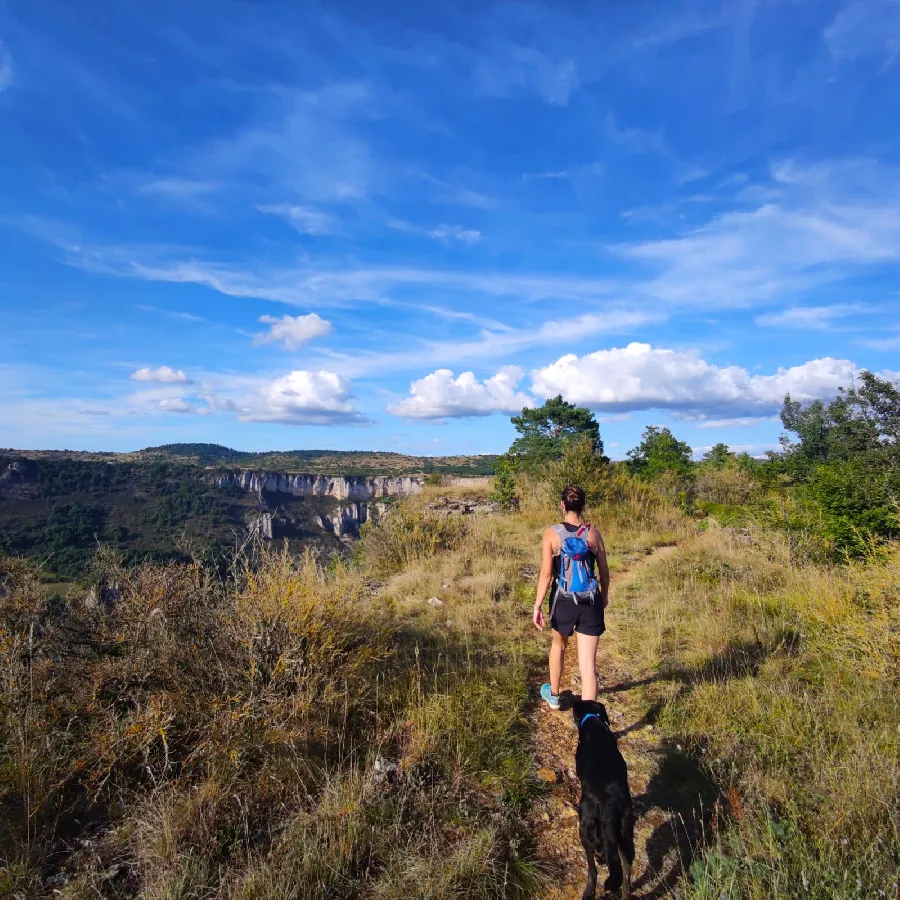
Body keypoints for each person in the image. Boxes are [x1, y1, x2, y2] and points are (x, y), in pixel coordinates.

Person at [534, 484, 610, 710]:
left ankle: (555, 695)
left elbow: (547, 574)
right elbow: (604, 572)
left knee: (559, 645)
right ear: (583, 505)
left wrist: (537, 605)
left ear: (562, 505)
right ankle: (590, 722)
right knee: (588, 667)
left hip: (564, 600)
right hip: (590, 601)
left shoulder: (551, 534)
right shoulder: (593, 533)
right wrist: (603, 597)